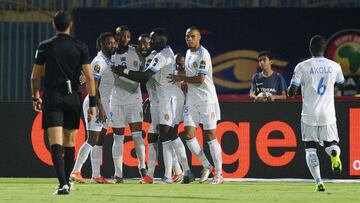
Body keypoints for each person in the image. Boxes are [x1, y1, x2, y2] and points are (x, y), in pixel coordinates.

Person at [112, 28, 192, 184]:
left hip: (167, 101)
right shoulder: (152, 54)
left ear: (159, 41)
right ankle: (153, 175)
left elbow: (145, 77)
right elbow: (154, 80)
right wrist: (150, 97)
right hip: (158, 101)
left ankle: (176, 173)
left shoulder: (159, 56)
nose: (147, 44)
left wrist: (124, 71)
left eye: (151, 41)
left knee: (167, 136)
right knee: (154, 137)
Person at [30, 10, 96, 195]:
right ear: (71, 25)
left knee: (55, 143)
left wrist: (35, 96)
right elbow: (89, 78)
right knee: (70, 141)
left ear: (53, 25)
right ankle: (67, 181)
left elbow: (35, 76)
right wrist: (92, 103)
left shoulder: (44, 46)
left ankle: (62, 184)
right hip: (72, 97)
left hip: (52, 97)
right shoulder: (80, 46)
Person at [288, 35, 344, 192]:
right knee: (331, 143)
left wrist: (290, 90)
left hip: (309, 114)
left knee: (310, 148)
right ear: (324, 48)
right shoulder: (334, 66)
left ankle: (319, 181)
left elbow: (292, 92)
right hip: (328, 113)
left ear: (310, 49)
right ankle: (334, 153)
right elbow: (341, 84)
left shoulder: (302, 66)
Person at [167, 26, 223, 184]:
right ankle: (207, 165)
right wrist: (179, 76)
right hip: (192, 100)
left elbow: (199, 79)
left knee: (211, 137)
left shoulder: (204, 55)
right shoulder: (188, 52)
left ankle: (219, 174)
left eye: (192, 36)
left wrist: (181, 78)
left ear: (199, 38)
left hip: (207, 100)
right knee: (189, 135)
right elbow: (191, 75)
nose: (189, 39)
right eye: (187, 36)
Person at [70, 32, 116, 184]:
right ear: (101, 45)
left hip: (105, 103)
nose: (112, 45)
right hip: (95, 103)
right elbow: (93, 87)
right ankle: (76, 171)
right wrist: (100, 108)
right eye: (108, 43)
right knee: (93, 138)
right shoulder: (99, 62)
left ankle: (96, 175)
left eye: (113, 42)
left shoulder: (110, 60)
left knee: (99, 139)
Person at [109, 26, 146, 183]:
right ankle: (118, 175)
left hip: (134, 100)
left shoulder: (136, 53)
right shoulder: (110, 55)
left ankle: (142, 167)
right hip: (116, 100)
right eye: (122, 36)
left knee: (137, 137)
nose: (125, 39)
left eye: (128, 36)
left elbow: (145, 73)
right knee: (118, 138)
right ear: (116, 37)